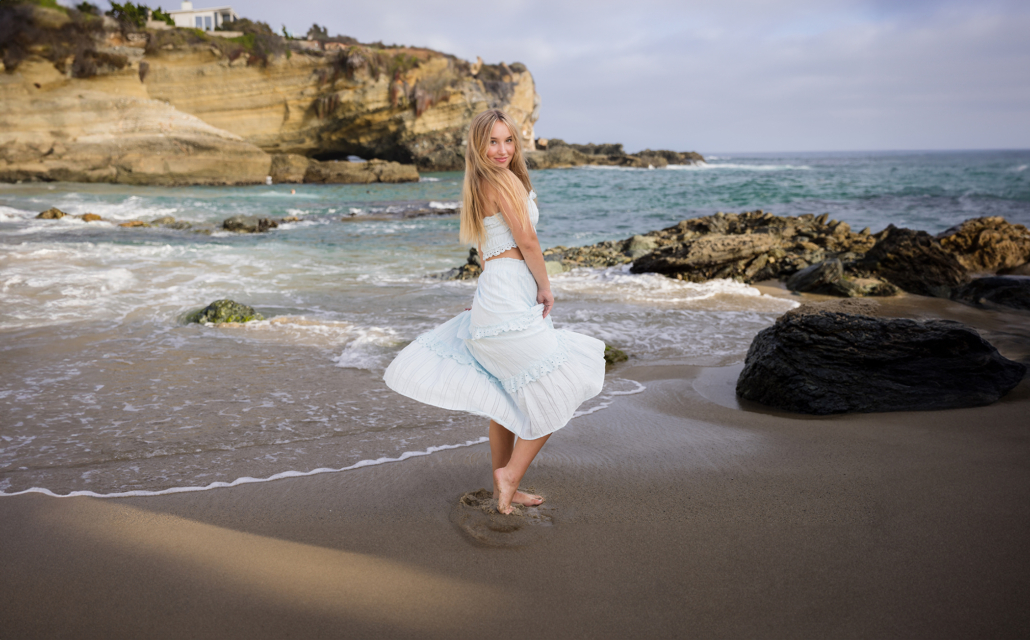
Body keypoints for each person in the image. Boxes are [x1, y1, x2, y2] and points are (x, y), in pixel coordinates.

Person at [383, 109, 606, 514]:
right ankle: (510, 475)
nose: (502, 150)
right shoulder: (500, 180)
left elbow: (487, 252)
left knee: (507, 399)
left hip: (498, 293)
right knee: (558, 391)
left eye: (507, 141)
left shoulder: (480, 182)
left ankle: (505, 486)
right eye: (493, 142)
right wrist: (545, 286)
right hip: (510, 295)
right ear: (478, 145)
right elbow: (528, 242)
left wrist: (485, 292)